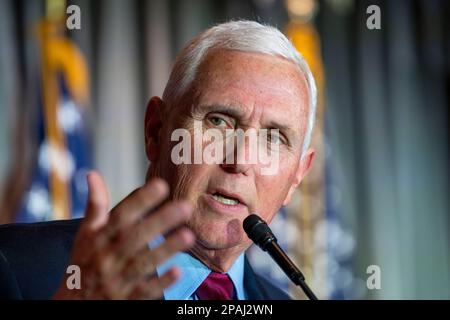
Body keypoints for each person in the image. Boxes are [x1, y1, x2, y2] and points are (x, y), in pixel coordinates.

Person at [0, 20, 316, 300]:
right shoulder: (15, 265)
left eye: (274, 138)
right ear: (155, 131)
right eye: (219, 121)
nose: (241, 161)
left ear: (297, 176)